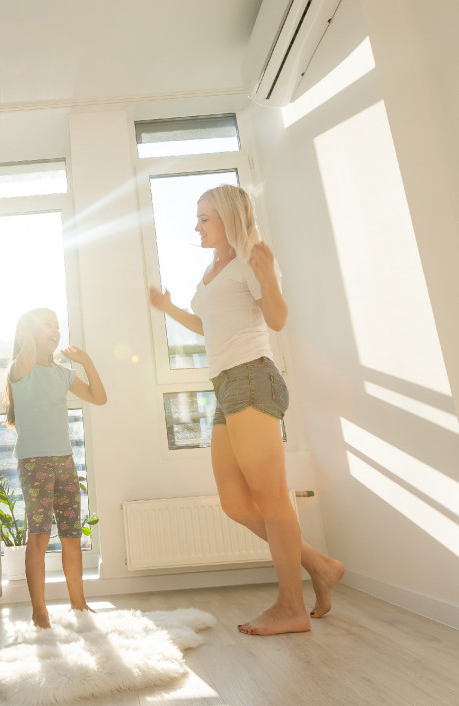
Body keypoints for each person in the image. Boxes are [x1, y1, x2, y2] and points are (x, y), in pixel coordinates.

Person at [149, 184, 344, 635]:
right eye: (197, 218)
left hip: (253, 378)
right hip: (227, 386)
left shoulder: (252, 258)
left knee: (273, 498)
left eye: (204, 218)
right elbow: (208, 325)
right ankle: (319, 564)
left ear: (229, 219)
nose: (196, 226)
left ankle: (291, 607)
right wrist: (169, 308)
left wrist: (270, 278)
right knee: (235, 503)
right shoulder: (213, 269)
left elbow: (276, 319)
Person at [3, 308, 108, 628]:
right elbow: (28, 356)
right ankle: (39, 612)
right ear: (29, 333)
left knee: (72, 535)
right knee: (38, 535)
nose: (55, 331)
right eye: (47, 326)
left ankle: (79, 604)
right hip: (35, 462)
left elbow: (99, 398)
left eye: (57, 326)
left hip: (64, 460)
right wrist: (29, 337)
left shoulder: (63, 373)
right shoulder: (19, 369)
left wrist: (86, 362)